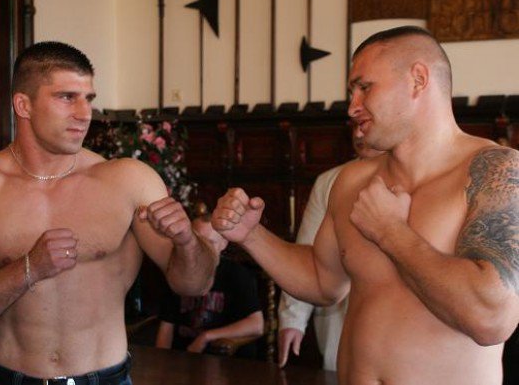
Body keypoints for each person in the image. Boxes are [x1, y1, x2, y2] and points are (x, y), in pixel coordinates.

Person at [212, 26, 519, 385]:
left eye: (365, 87)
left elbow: (491, 319)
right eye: (351, 92)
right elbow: (323, 281)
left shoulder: (497, 172)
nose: (352, 107)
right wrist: (251, 235)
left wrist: (390, 232)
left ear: (418, 80)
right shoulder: (353, 181)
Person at [0, 42, 219, 385]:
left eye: (88, 98)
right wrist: (28, 269)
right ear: (23, 105)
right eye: (67, 97)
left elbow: (196, 284)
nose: (84, 113)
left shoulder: (128, 181)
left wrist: (186, 242)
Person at [278, 132, 383, 370]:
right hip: (339, 310)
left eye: (365, 124)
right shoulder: (330, 181)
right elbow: (307, 252)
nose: (358, 134)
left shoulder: (422, 174)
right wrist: (293, 319)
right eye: (354, 126)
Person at [155, 215, 264, 359]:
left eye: (211, 242)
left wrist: (206, 336)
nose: (203, 250)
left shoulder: (237, 274)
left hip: (223, 360)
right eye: (198, 242)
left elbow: (257, 325)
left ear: (224, 243)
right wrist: (161, 364)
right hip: (182, 360)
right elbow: (166, 328)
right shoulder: (177, 272)